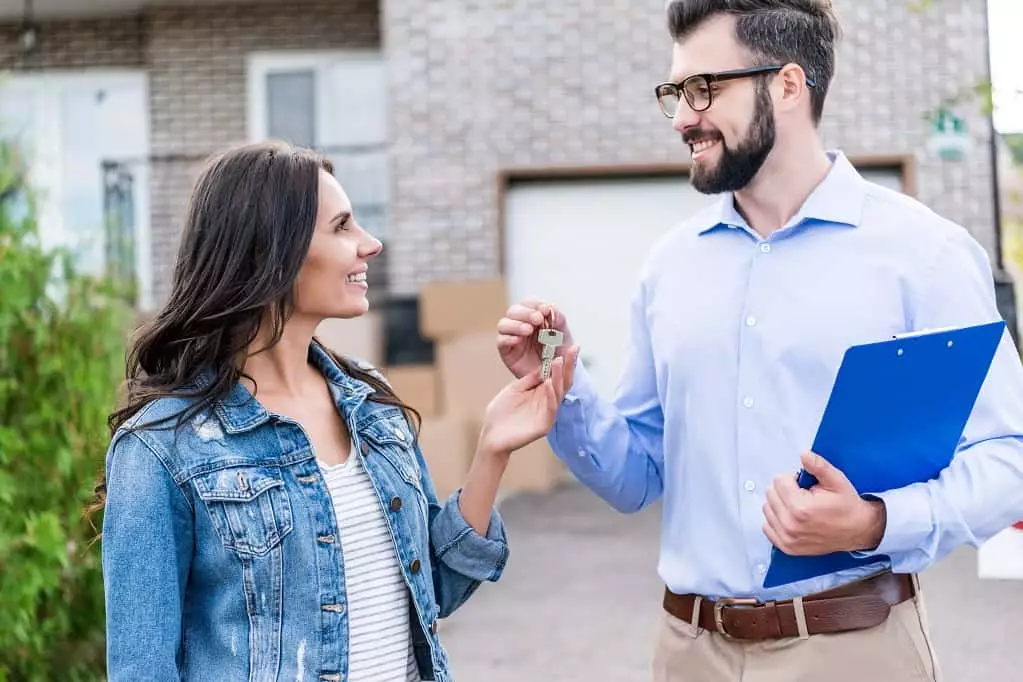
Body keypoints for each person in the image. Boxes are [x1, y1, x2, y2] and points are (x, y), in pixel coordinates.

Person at [496, 1, 1023, 680]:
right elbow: (635, 476)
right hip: (688, 651)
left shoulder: (922, 254)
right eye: (675, 93)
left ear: (787, 84)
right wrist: (562, 387)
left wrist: (874, 522)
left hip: (854, 648)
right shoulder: (669, 267)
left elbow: (1007, 458)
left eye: (702, 89)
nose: (683, 116)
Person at [93, 140, 574, 682]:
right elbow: (142, 669)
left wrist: (492, 449)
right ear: (272, 251)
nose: (370, 244)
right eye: (342, 226)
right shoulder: (161, 448)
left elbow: (431, 593)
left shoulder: (371, 403)